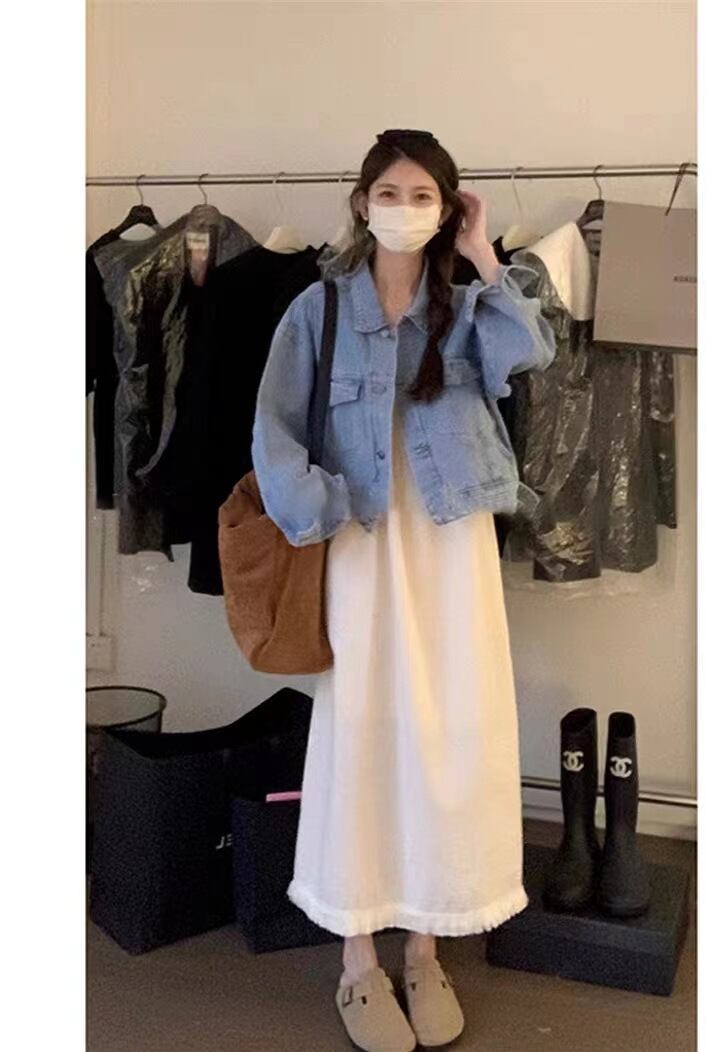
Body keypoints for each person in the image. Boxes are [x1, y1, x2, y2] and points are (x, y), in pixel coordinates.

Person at [251, 129, 556, 1052]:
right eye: (390, 192)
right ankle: (358, 958)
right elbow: (273, 428)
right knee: (361, 732)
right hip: (361, 539)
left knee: (454, 733)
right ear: (361, 202)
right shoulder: (318, 306)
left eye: (425, 195)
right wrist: (316, 509)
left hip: (452, 540)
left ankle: (427, 943)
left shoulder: (468, 303)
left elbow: (531, 351)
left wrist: (483, 254)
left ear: (448, 207)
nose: (404, 209)